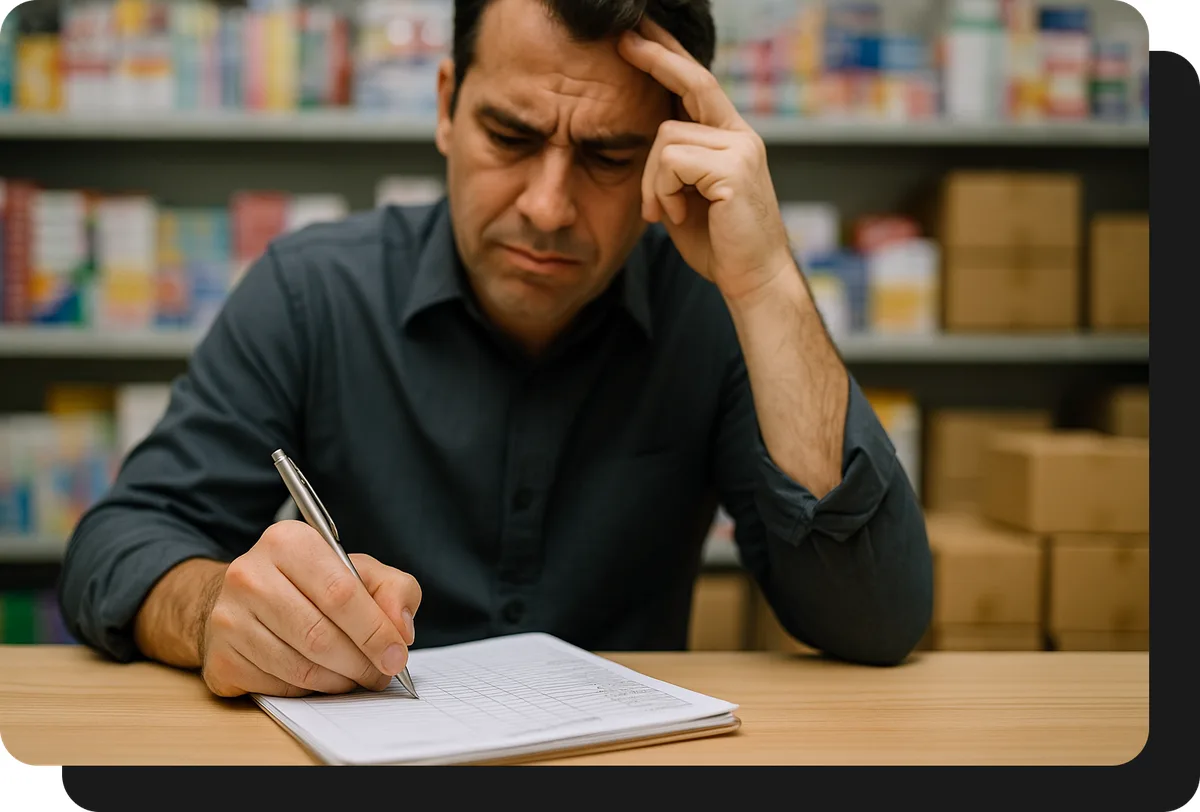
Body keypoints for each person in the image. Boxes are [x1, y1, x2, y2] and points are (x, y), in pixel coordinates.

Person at [59, 0, 933, 699]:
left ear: (673, 152)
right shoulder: (312, 293)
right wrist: (216, 610)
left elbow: (875, 621)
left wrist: (768, 282)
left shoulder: (714, 312)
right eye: (511, 138)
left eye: (608, 156)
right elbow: (120, 544)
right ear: (445, 104)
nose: (548, 207)